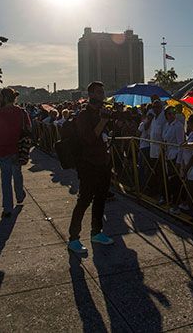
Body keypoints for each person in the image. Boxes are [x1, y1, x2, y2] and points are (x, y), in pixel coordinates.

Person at [67, 81, 115, 255]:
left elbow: (105, 135)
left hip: (103, 161)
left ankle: (96, 232)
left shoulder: (100, 113)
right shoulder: (83, 116)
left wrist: (108, 119)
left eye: (103, 92)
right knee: (84, 200)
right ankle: (74, 238)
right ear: (91, 94)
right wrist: (103, 120)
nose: (102, 95)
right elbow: (89, 139)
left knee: (101, 198)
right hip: (88, 163)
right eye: (99, 92)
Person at [0, 88, 32, 218]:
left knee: (5, 179)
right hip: (17, 148)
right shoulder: (21, 112)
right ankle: (19, 195)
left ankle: (7, 208)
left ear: (2, 98)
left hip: (2, 148)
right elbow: (29, 128)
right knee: (17, 173)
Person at [161, 106, 185, 211]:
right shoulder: (167, 125)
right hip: (168, 154)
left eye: (173, 113)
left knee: (175, 180)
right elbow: (164, 138)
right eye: (169, 114)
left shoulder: (178, 126)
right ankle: (169, 199)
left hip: (175, 155)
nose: (172, 116)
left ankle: (176, 203)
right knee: (169, 180)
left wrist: (179, 161)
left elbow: (181, 144)